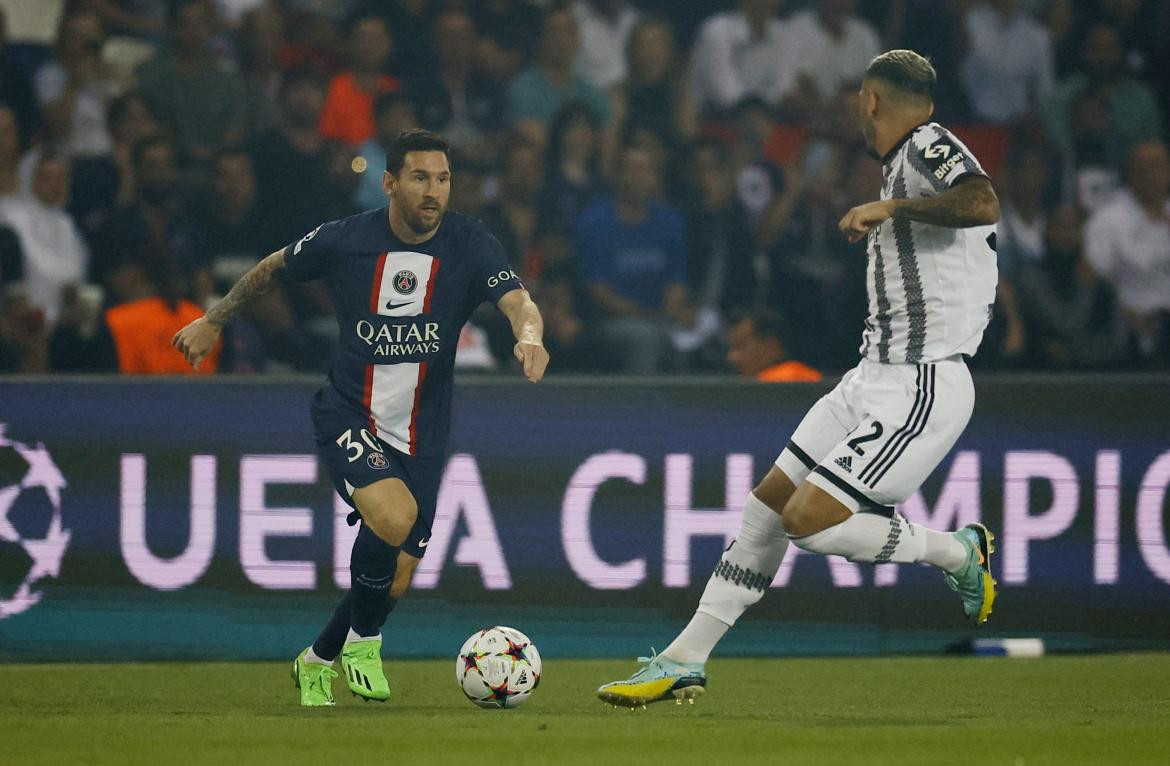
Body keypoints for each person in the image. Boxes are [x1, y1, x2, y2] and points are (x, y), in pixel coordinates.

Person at [597, 50, 1000, 707]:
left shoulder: (928, 145)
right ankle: (683, 659)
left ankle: (955, 553)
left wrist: (889, 208)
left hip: (923, 384)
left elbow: (982, 199)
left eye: (856, 102)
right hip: (872, 375)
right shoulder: (902, 162)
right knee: (765, 507)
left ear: (870, 101)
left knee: (807, 523)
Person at [171, 129, 548, 707]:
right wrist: (214, 319)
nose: (433, 192)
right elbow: (273, 267)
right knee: (393, 519)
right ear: (390, 183)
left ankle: (317, 657)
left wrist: (529, 337)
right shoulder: (347, 239)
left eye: (443, 179)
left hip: (423, 432)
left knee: (393, 577)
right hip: (350, 413)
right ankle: (364, 644)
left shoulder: (470, 243)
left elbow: (520, 301)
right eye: (420, 178)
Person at [726, 309, 821, 382]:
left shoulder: (793, 378)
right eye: (731, 348)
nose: (731, 357)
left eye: (740, 346)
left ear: (771, 346)